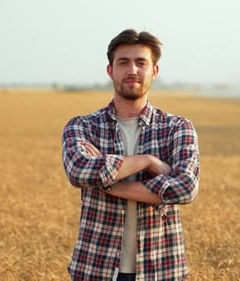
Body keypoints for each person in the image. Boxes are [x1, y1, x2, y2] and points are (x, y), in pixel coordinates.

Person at [61, 29, 200, 281]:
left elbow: (186, 188)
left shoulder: (178, 127)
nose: (132, 69)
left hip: (162, 269)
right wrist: (149, 162)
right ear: (110, 70)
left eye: (141, 62)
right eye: (123, 62)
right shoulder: (83, 126)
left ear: (154, 71)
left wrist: (105, 182)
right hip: (95, 266)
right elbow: (78, 170)